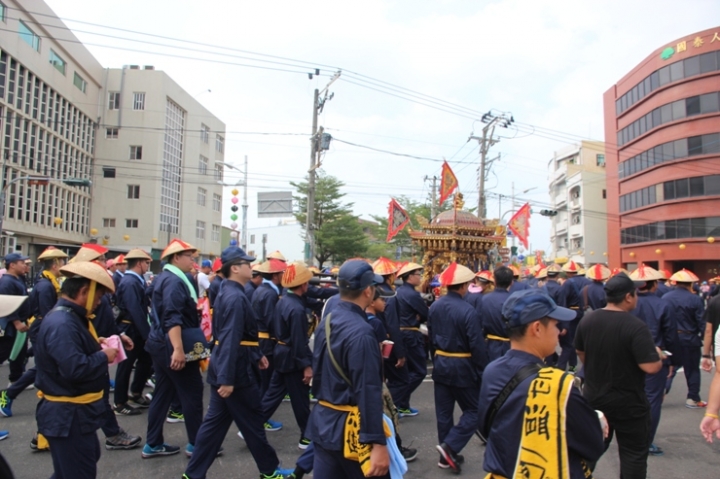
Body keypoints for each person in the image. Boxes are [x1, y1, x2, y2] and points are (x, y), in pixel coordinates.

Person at [183, 246, 292, 479]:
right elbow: (231, 337)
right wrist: (227, 378)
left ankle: (193, 474)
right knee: (252, 422)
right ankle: (270, 471)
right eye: (246, 263)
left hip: (231, 365)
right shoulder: (234, 296)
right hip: (236, 373)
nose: (250, 267)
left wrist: (256, 355)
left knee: (214, 427)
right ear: (234, 268)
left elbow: (239, 336)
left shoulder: (231, 291)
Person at [478, 289, 604, 479]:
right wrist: (599, 422)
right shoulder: (558, 386)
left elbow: (486, 427)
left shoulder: (492, 370)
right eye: (554, 324)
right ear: (537, 328)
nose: (558, 332)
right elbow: (593, 445)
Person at [34, 261, 122, 478]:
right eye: (99, 297)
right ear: (84, 292)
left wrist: (97, 343)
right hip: (68, 416)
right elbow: (75, 368)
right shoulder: (63, 322)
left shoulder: (69, 318)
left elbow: (72, 352)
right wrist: (103, 355)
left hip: (74, 415)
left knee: (75, 466)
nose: (99, 303)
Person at [306, 259, 391, 478]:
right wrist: (377, 443)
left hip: (324, 421)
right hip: (351, 433)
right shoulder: (362, 332)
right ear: (368, 291)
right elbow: (368, 389)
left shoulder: (327, 320)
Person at [575, 273, 663, 479]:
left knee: (588, 450)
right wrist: (657, 356)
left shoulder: (588, 321)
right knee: (633, 454)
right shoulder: (636, 326)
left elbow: (581, 353)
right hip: (629, 402)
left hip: (594, 398)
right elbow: (650, 367)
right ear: (628, 297)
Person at [143, 239, 205, 458]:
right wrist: (178, 349)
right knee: (192, 391)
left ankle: (153, 443)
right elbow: (172, 317)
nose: (193, 260)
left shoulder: (166, 278)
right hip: (171, 344)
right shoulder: (174, 282)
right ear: (176, 258)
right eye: (189, 256)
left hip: (159, 343)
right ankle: (197, 445)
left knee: (163, 393)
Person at [429, 263, 487, 473]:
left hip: (441, 363)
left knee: (444, 413)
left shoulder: (435, 306)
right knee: (474, 410)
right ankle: (450, 446)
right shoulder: (468, 310)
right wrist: (482, 370)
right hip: (462, 365)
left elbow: (431, 338)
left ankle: (447, 455)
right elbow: (477, 345)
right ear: (463, 286)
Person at [1, 247, 67, 416]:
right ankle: (8, 394)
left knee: (45, 365)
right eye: (61, 262)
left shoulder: (45, 281)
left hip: (37, 326)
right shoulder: (45, 285)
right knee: (44, 365)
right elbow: (47, 314)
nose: (63, 265)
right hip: (39, 327)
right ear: (54, 265)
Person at [261, 261, 314, 449]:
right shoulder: (297, 309)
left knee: (273, 394)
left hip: (281, 352)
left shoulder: (282, 301)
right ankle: (307, 437)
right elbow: (299, 341)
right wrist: (306, 366)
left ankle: (253, 425)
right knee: (300, 399)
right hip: (292, 356)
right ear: (303, 285)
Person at [630, 265, 680, 457]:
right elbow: (670, 336)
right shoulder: (662, 305)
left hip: (630, 357)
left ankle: (630, 437)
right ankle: (646, 440)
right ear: (654, 285)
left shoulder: (627, 304)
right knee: (652, 400)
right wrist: (673, 360)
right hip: (654, 357)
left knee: (631, 397)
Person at [113, 249, 154, 415]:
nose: (147, 266)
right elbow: (135, 309)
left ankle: (136, 392)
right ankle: (119, 402)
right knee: (126, 365)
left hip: (136, 327)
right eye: (146, 263)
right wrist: (146, 335)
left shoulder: (135, 280)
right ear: (139, 263)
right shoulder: (130, 282)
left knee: (145, 360)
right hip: (130, 328)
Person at [662, 268, 707, 408]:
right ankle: (692, 398)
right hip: (689, 338)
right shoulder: (695, 299)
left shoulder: (665, 298)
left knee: (671, 367)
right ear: (690, 284)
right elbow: (701, 321)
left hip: (670, 338)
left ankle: (662, 390)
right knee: (692, 369)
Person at [250, 258, 286, 431]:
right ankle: (261, 418)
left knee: (263, 382)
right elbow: (272, 320)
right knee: (266, 383)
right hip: (266, 341)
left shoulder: (260, 289)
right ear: (276, 275)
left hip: (259, 339)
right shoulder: (270, 293)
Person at [371, 258, 407, 418]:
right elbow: (393, 325)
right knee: (402, 380)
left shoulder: (372, 291)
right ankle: (386, 407)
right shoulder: (388, 294)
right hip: (387, 342)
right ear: (390, 276)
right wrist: (400, 353)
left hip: (375, 340)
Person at [393, 262, 428, 417]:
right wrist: (419, 317)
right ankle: (396, 400)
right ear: (410, 277)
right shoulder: (412, 294)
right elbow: (425, 313)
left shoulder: (399, 291)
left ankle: (403, 405)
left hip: (403, 333)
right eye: (418, 274)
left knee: (406, 371)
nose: (420, 277)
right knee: (419, 371)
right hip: (411, 334)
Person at [0, 253, 31, 386]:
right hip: (10, 325)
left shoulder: (17, 279)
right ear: (12, 265)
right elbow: (6, 303)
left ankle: (16, 379)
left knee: (19, 352)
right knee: (5, 351)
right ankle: (14, 380)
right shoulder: (7, 282)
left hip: (19, 322)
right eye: (21, 263)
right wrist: (16, 322)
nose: (25, 265)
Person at [479, 266, 513, 361]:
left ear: (495, 281)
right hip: (511, 345)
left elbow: (480, 322)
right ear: (511, 282)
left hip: (491, 345)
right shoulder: (514, 300)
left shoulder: (485, 299)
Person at [556, 260, 585, 371]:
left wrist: (563, 323)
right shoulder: (587, 281)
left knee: (572, 341)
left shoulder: (567, 283)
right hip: (586, 314)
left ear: (567, 272)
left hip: (572, 314)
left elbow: (562, 302)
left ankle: (573, 365)